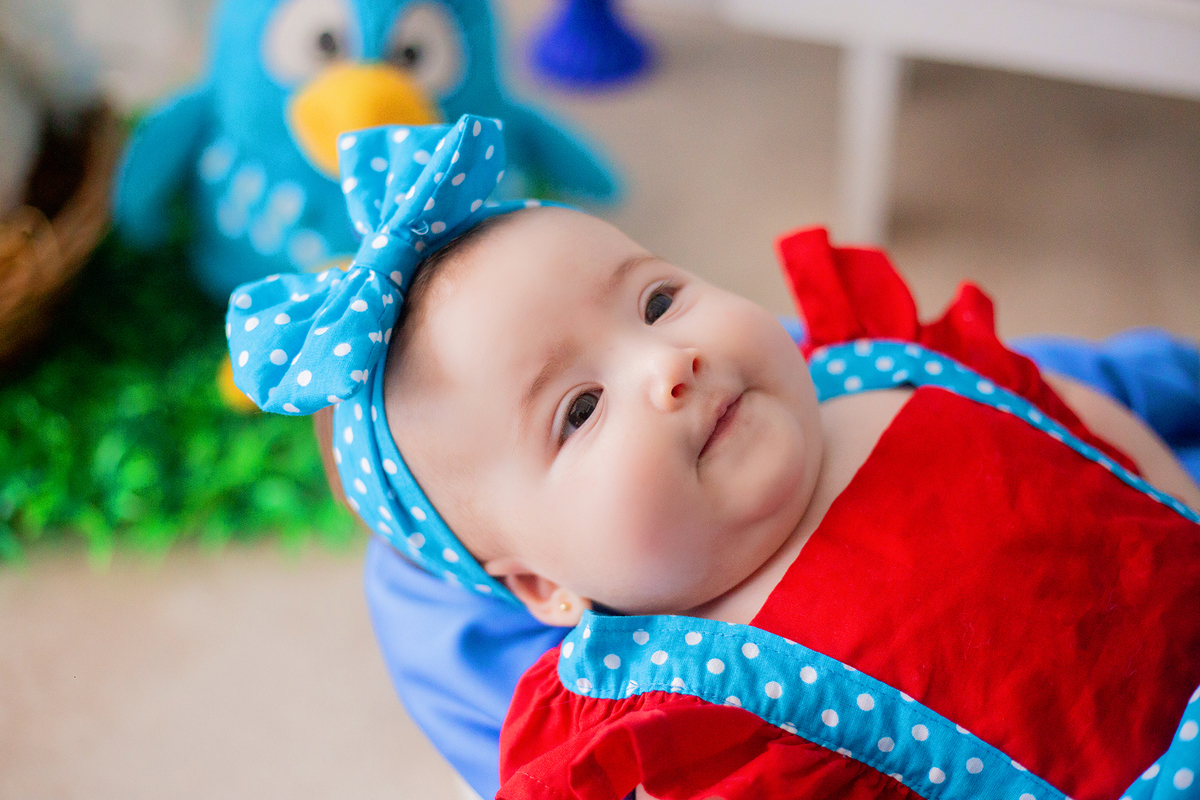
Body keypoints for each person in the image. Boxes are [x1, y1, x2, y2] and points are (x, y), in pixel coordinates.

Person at [226, 116, 1200, 800]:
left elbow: (1078, 420)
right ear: (544, 585)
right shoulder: (697, 707)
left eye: (655, 301)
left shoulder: (885, 368)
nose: (668, 364)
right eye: (579, 409)